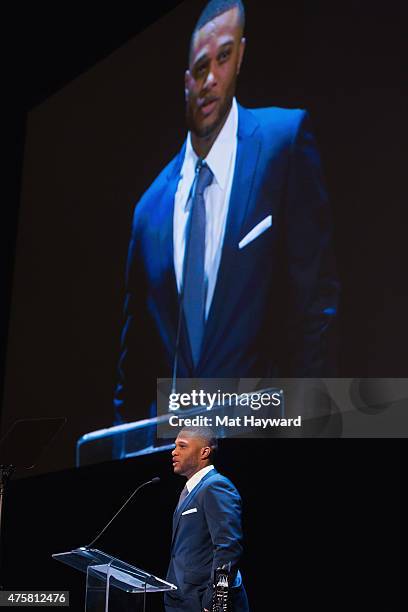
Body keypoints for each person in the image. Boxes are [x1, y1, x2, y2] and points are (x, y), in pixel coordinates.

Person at [114, 0, 339, 424]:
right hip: (174, 457)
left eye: (223, 58)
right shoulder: (149, 212)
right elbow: (134, 372)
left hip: (264, 432)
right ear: (185, 81)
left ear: (240, 57)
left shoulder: (281, 146)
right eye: (201, 68)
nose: (211, 79)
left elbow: (316, 311)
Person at [165, 426, 249, 611]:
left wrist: (216, 602)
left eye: (182, 446)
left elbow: (228, 548)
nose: (174, 451)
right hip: (181, 600)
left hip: (205, 602)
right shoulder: (189, 491)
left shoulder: (216, 486)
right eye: (174, 446)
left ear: (204, 452)